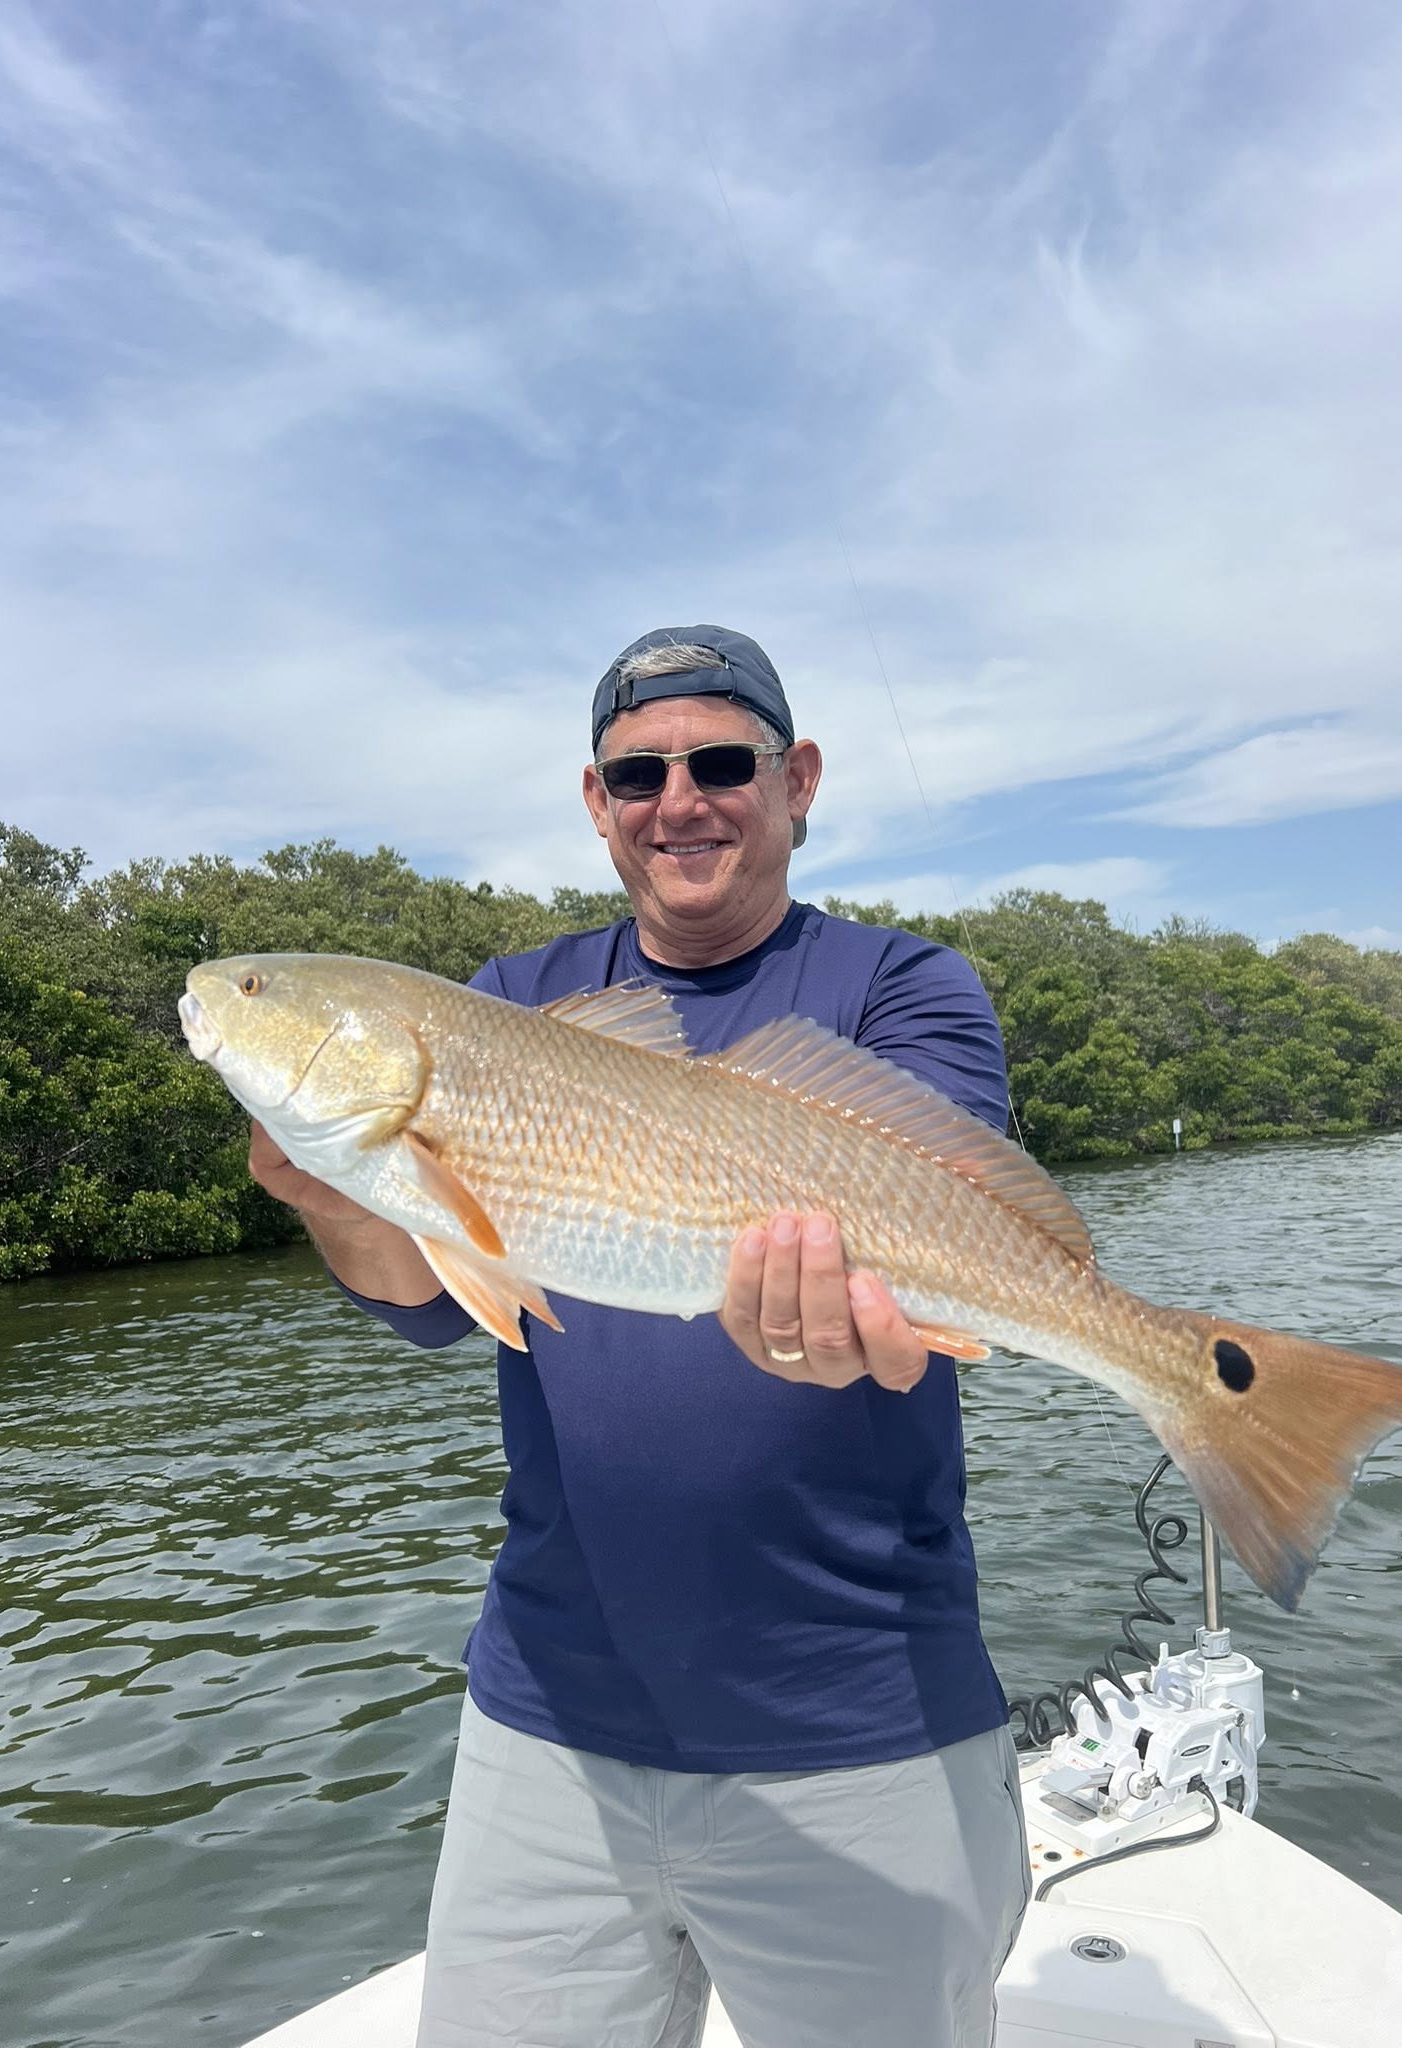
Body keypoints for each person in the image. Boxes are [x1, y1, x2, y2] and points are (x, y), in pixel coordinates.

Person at [249, 625, 1030, 2048]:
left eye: (722, 762)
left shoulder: (904, 988)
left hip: (858, 1720)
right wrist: (327, 1185)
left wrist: (869, 1328)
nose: (682, 800)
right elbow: (428, 1300)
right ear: (598, 802)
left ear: (795, 781)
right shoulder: (507, 1002)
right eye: (638, 772)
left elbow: (946, 1248)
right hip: (549, 1717)